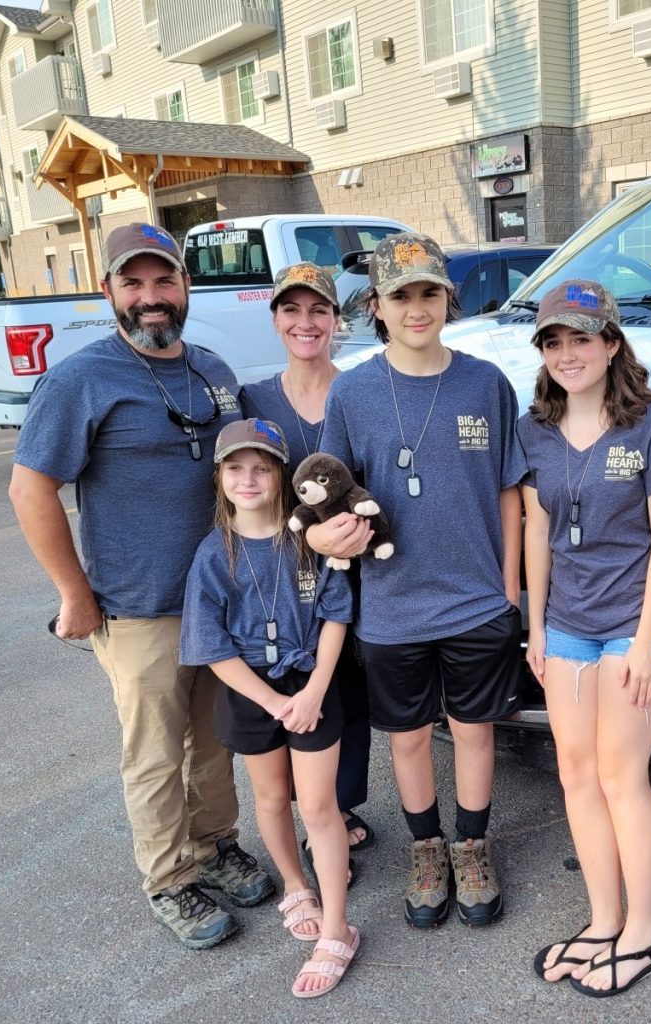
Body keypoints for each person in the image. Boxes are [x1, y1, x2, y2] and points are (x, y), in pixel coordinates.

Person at [9, 223, 273, 948]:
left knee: (213, 742)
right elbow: (30, 489)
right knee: (155, 754)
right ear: (109, 292)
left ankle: (214, 846)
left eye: (164, 280)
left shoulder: (214, 371)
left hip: (219, 602)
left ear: (185, 286)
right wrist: (74, 593)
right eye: (134, 283)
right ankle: (170, 879)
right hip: (136, 607)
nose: (151, 297)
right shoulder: (81, 378)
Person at [306, 231, 526, 929]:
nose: (417, 307)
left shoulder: (485, 384)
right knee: (406, 738)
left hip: (476, 600)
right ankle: (426, 849)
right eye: (401, 296)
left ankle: (471, 847)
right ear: (376, 305)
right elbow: (328, 491)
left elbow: (509, 492)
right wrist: (321, 535)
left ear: (449, 299)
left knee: (474, 730)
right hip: (392, 603)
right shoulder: (353, 390)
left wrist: (510, 590)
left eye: (430, 292)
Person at [520, 281, 651, 997]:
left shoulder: (650, 424)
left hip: (637, 625)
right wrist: (535, 625)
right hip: (568, 626)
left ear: (612, 344)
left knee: (622, 776)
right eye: (554, 342)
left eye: (582, 338)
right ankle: (604, 921)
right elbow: (536, 529)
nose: (568, 354)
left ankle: (646, 933)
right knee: (577, 774)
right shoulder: (534, 428)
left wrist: (647, 641)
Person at [180, 418, 358, 998]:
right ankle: (295, 885)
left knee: (319, 804)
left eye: (261, 468)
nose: (248, 479)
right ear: (219, 478)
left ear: (282, 476)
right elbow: (212, 647)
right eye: (235, 468)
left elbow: (335, 615)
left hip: (311, 682)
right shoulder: (214, 554)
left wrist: (313, 691)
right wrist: (275, 702)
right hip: (252, 689)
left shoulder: (308, 541)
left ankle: (337, 927)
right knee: (273, 797)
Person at [241, 263, 376, 867]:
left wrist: (356, 534)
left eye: (319, 309)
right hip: (287, 571)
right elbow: (245, 487)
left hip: (358, 564)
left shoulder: (362, 390)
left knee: (349, 687)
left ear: (335, 319)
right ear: (275, 320)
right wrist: (307, 541)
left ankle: (337, 807)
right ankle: (308, 810)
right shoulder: (255, 399)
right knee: (298, 682)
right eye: (291, 310)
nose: (306, 322)